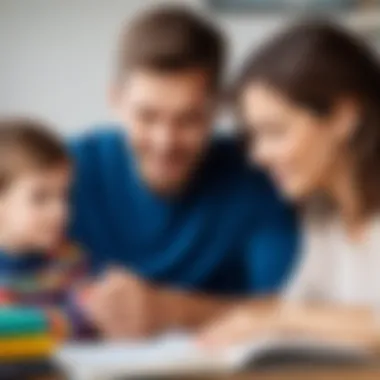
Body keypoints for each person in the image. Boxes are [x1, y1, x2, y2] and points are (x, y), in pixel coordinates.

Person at [68, 6, 297, 339]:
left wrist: (171, 309)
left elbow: (286, 309)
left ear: (218, 109)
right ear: (115, 101)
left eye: (189, 119)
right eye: (147, 116)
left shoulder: (258, 177)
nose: (165, 142)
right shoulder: (65, 171)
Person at [200, 21, 380, 349]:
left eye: (275, 132)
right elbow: (299, 305)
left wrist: (279, 317)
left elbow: (292, 314)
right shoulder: (323, 211)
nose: (257, 157)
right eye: (254, 136)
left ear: (343, 116)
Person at [0, 118, 93, 339]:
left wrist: (22, 324)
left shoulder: (70, 262)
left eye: (64, 195)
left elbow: (85, 320)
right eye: (40, 198)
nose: (60, 211)